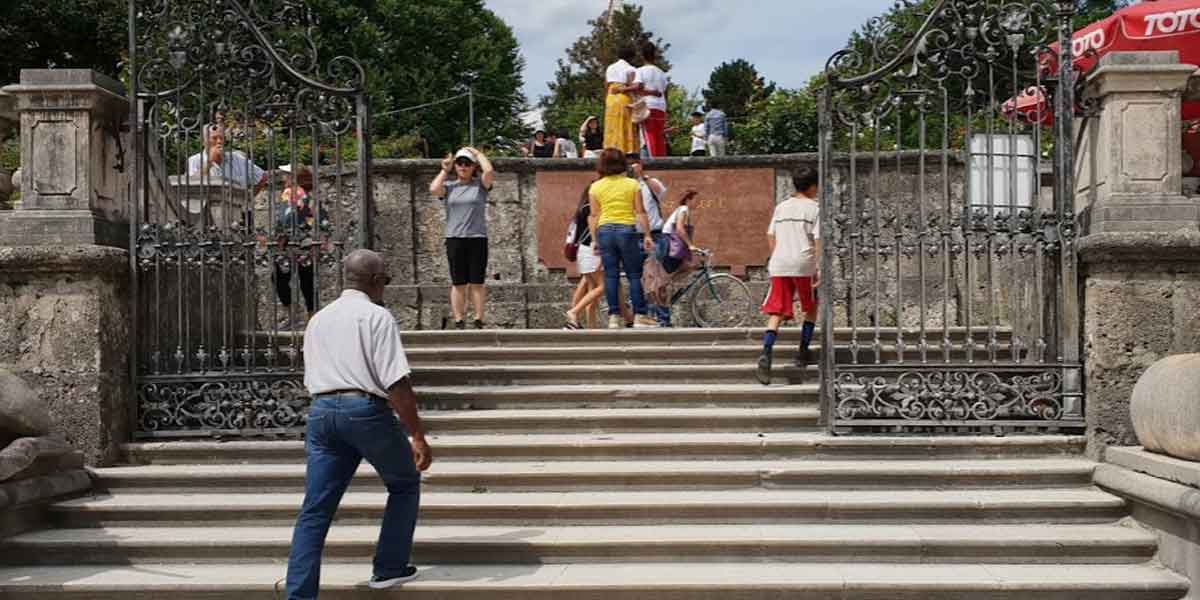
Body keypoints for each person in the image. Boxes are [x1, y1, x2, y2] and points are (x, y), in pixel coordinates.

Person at [285, 248, 433, 599]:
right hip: (364, 409)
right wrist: (416, 435)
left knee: (316, 508)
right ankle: (389, 568)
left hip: (322, 412)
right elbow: (396, 382)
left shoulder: (318, 319)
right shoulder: (376, 317)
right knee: (404, 482)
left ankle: (299, 594)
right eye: (385, 280)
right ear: (375, 280)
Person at [756, 168, 821, 386]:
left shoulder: (781, 207)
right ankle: (802, 352)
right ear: (813, 186)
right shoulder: (815, 208)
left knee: (777, 310)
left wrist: (777, 255)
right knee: (811, 306)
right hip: (803, 263)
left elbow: (770, 234)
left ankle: (766, 353)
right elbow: (818, 239)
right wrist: (818, 267)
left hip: (779, 263)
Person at [589, 148, 657, 329]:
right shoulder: (632, 184)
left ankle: (614, 317)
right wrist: (648, 235)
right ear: (622, 163)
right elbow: (640, 211)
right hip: (626, 230)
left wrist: (595, 240)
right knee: (634, 275)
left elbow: (594, 215)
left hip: (604, 230)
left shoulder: (595, 186)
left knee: (611, 276)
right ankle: (640, 316)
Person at [429, 147, 495, 329]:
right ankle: (459, 319)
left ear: (473, 166)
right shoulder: (450, 187)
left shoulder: (480, 186)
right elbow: (434, 189)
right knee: (458, 282)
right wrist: (445, 169)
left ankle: (479, 318)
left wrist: (477, 153)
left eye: (467, 163)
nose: (463, 167)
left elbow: (489, 171)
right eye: (460, 163)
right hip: (455, 238)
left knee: (476, 282)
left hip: (477, 238)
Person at [564, 185, 634, 329]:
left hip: (584, 251)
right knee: (607, 285)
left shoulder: (583, 208)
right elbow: (597, 232)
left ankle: (624, 320)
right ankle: (574, 313)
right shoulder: (593, 210)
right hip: (594, 251)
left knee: (596, 288)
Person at [270, 164, 323, 329]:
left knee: (279, 278)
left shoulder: (290, 192)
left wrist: (279, 239)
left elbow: (285, 219)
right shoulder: (308, 195)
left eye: (286, 174)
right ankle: (312, 318)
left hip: (290, 243)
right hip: (306, 242)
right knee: (307, 280)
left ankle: (293, 316)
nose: (283, 178)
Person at [626, 153, 671, 327]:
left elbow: (662, 194)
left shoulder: (650, 183)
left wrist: (643, 177)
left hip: (654, 235)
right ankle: (642, 315)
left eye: (634, 163)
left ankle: (663, 318)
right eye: (628, 164)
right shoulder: (624, 186)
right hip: (632, 236)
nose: (632, 167)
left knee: (657, 278)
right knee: (636, 278)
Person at [188, 124, 269, 193]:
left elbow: (262, 177)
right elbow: (191, 185)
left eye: (221, 138)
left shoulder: (237, 159)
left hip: (238, 209)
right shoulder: (195, 160)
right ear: (203, 141)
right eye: (214, 138)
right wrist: (209, 161)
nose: (219, 141)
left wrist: (248, 199)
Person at [632, 41, 669, 157]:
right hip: (661, 107)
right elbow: (665, 93)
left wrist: (649, 92)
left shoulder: (640, 71)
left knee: (648, 138)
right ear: (655, 55)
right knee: (659, 137)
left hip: (647, 106)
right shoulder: (662, 73)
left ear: (642, 55)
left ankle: (652, 165)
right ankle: (662, 162)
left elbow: (637, 88)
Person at [603, 45, 639, 155]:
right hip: (623, 98)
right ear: (631, 57)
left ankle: (611, 149)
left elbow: (606, 84)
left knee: (611, 125)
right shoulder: (631, 69)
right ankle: (627, 149)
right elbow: (635, 86)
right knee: (625, 125)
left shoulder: (610, 67)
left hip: (610, 98)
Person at [661, 189, 699, 274]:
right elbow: (679, 229)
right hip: (670, 242)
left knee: (686, 266)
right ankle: (665, 285)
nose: (698, 203)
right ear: (688, 200)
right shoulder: (684, 209)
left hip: (669, 241)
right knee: (672, 269)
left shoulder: (682, 209)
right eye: (696, 200)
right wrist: (690, 245)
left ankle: (671, 285)